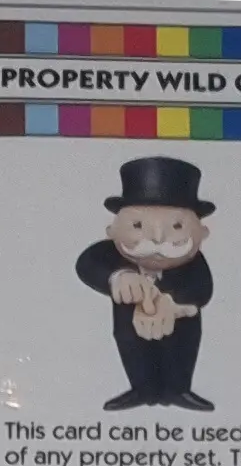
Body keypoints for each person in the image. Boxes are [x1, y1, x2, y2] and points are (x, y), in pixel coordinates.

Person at [76, 156, 215, 411]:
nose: (157, 238)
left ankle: (178, 389)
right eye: (138, 225)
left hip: (180, 325)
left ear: (202, 234)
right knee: (133, 350)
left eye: (176, 226)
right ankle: (141, 389)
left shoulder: (194, 264)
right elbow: (88, 264)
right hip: (128, 325)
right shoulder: (109, 255)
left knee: (179, 351)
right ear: (112, 231)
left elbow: (202, 289)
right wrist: (118, 277)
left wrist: (175, 305)